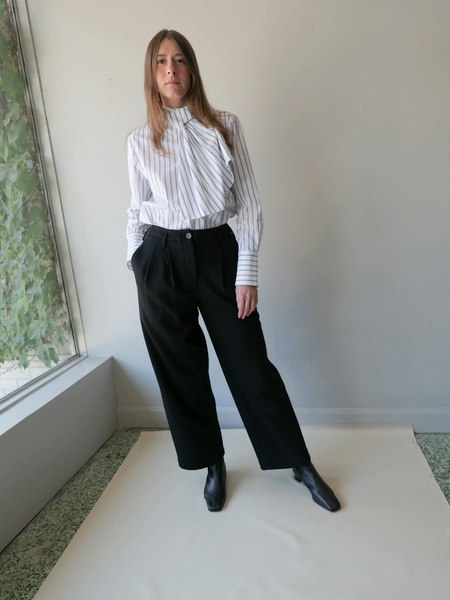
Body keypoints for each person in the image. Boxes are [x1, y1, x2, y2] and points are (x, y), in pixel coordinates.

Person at [126, 29, 341, 513]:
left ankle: (298, 462)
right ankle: (212, 463)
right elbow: (136, 210)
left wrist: (247, 271)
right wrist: (137, 261)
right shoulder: (139, 141)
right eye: (161, 62)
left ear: (191, 68)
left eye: (179, 60)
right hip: (161, 259)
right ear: (152, 74)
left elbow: (249, 203)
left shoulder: (225, 126)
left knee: (250, 364)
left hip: (218, 254)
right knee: (182, 370)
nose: (171, 69)